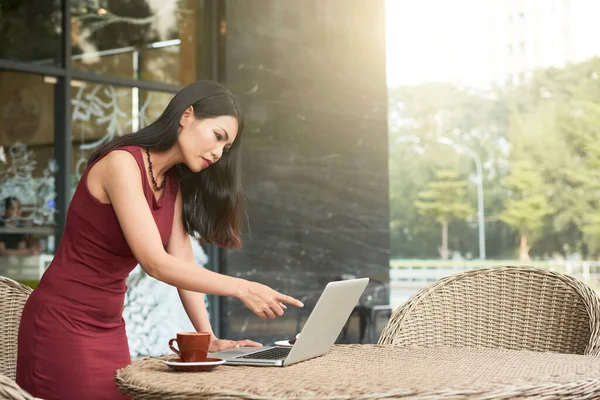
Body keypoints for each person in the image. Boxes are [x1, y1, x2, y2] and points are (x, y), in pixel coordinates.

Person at [16, 80, 304, 399]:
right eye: (218, 137)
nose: (218, 153)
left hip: (109, 325)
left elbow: (181, 261)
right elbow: (155, 262)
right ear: (187, 115)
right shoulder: (122, 164)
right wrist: (242, 287)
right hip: (62, 322)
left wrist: (206, 337)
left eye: (226, 148)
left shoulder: (170, 184)